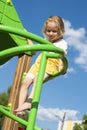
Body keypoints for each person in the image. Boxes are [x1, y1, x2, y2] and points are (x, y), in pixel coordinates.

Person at [15, 16, 68, 116]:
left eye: (54, 31)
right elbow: (33, 49)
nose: (51, 34)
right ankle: (21, 108)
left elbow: (62, 55)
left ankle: (29, 102)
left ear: (61, 31)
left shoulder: (62, 43)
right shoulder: (45, 41)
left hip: (50, 65)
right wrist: (27, 36)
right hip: (38, 64)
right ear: (45, 30)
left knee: (37, 79)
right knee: (25, 82)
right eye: (48, 31)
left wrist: (62, 68)